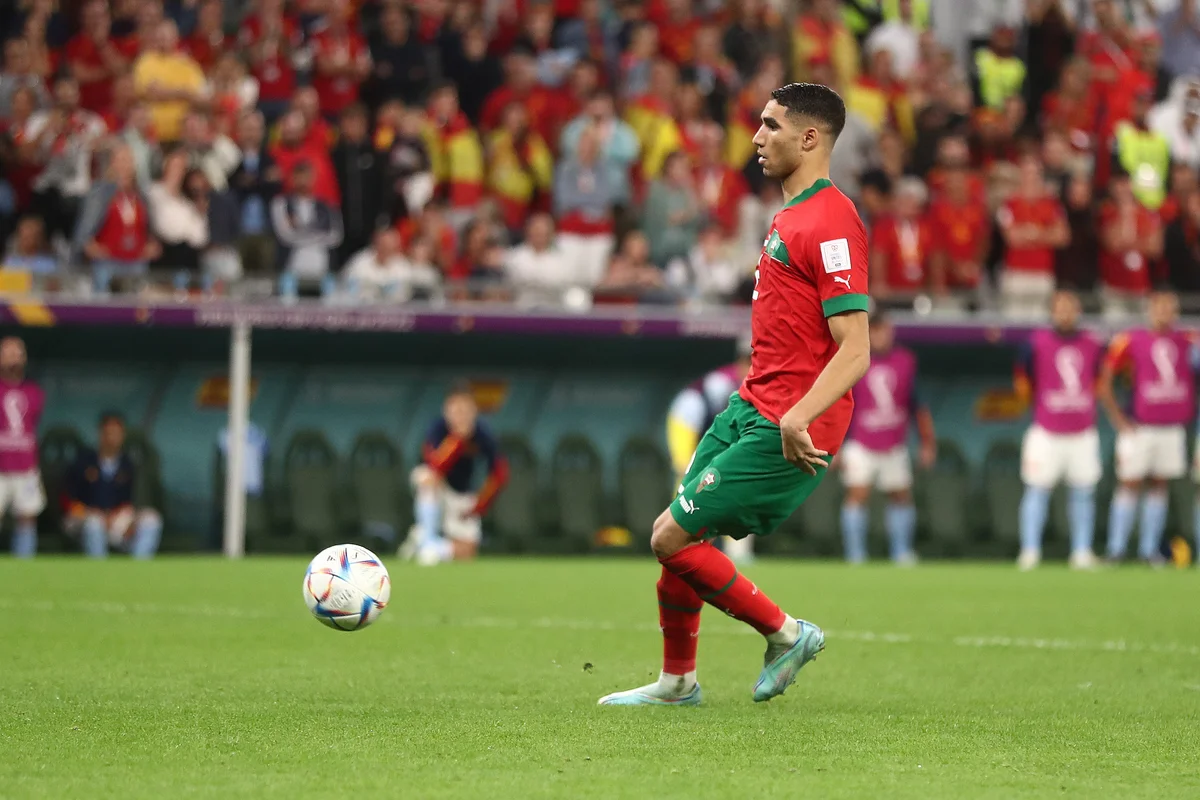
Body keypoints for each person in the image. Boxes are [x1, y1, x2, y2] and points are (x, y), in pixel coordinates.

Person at [598, 83, 870, 707]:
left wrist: (797, 417)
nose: (756, 137)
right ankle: (677, 683)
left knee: (668, 537)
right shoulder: (789, 214)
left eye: (771, 126)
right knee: (678, 533)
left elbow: (855, 349)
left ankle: (787, 633)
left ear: (809, 138)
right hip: (752, 407)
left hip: (792, 424)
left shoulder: (830, 221)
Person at [1099, 291, 1196, 566]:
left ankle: (1149, 551)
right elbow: (1105, 380)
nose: (1165, 312)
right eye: (1159, 307)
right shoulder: (1130, 340)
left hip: (1172, 428)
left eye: (1170, 307)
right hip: (1139, 428)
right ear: (1150, 310)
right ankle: (1116, 550)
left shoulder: (1187, 340)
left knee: (1159, 485)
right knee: (1129, 484)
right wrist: (1117, 418)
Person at [1013, 291, 1104, 571]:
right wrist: (1030, 403)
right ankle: (1029, 551)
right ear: (1051, 311)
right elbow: (1021, 377)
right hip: (1046, 430)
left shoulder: (1093, 343)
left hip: (1082, 430)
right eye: (1059, 307)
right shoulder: (1035, 342)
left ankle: (1082, 551)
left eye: (1070, 306)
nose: (1065, 312)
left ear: (1078, 309)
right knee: (1037, 490)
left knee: (1084, 492)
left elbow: (1102, 379)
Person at [839, 311, 935, 565]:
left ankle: (901, 552)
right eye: (876, 330)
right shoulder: (855, 359)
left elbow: (918, 406)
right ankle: (855, 555)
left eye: (885, 329)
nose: (881, 335)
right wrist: (835, 445)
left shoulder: (905, 361)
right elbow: (840, 404)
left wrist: (927, 442)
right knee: (857, 494)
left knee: (901, 495)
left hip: (894, 443)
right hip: (861, 442)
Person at [665, 337, 753, 564]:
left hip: (710, 430)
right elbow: (721, 424)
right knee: (686, 474)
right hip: (686, 422)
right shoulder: (722, 381)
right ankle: (676, 539)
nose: (751, 366)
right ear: (740, 362)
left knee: (739, 482)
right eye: (748, 361)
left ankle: (737, 553)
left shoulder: (758, 384)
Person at [401, 384, 509, 566]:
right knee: (428, 478)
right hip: (435, 485)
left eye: (465, 410)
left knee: (468, 552)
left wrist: (479, 506)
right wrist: (457, 440)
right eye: (455, 410)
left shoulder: (483, 434)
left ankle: (431, 545)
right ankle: (428, 538)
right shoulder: (437, 428)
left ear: (474, 411)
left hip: (461, 493)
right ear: (446, 410)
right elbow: (436, 466)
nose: (460, 416)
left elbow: (499, 474)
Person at [63, 411, 161, 559]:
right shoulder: (83, 461)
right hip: (84, 518)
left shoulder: (129, 465)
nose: (111, 438)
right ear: (100, 434)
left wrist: (123, 518)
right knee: (94, 523)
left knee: (151, 520)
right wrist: (92, 513)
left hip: (117, 518)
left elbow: (132, 502)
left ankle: (139, 570)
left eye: (116, 433)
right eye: (108, 433)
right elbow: (68, 499)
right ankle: (99, 572)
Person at [0, 337, 45, 558]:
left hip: (26, 465)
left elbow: (32, 423)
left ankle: (24, 565)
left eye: (18, 353)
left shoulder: (33, 391)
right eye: (7, 352)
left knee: (27, 516)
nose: (13, 357)